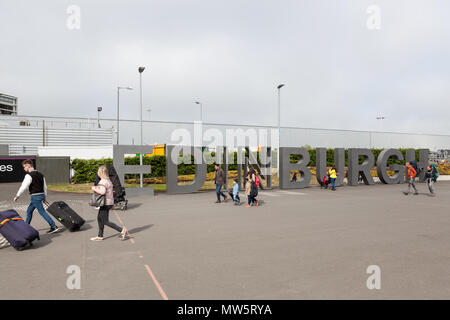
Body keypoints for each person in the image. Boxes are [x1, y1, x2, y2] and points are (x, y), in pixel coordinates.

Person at [13, 159, 61, 234]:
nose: (24, 169)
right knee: (29, 210)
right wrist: (44, 196)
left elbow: (24, 186)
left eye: (24, 167)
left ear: (28, 166)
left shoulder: (28, 175)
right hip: (40, 195)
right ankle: (26, 227)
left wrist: (17, 195)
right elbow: (44, 186)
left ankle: (53, 226)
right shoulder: (41, 174)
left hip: (35, 197)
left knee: (42, 211)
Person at [90, 165, 127, 241]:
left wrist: (94, 188)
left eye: (98, 172)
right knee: (100, 218)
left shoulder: (103, 181)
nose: (97, 173)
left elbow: (102, 192)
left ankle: (121, 230)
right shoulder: (108, 181)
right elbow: (109, 193)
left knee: (104, 220)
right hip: (108, 203)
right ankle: (100, 236)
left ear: (100, 173)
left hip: (105, 203)